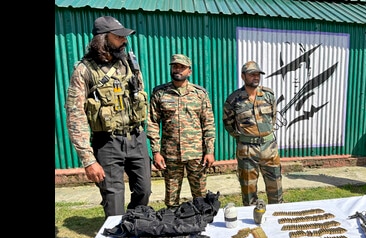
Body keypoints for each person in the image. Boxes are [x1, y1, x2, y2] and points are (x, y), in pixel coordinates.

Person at [64, 16, 151, 218]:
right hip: (107, 143)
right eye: (119, 36)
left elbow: (139, 93)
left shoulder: (129, 62)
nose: (124, 40)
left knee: (144, 191)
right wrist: (88, 160)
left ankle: (133, 227)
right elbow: (75, 116)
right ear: (103, 39)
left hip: (136, 138)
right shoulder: (84, 70)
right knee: (113, 201)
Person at [147, 54, 216, 208]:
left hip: (196, 154)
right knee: (172, 199)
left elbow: (208, 124)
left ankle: (202, 222)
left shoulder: (199, 94)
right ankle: (173, 227)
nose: (178, 69)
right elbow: (152, 123)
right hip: (170, 155)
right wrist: (156, 152)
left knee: (200, 197)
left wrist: (209, 151)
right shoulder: (160, 94)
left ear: (189, 71)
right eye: (175, 66)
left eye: (182, 67)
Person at [222, 61, 284, 206]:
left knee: (276, 187)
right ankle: (252, 222)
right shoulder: (233, 100)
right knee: (249, 192)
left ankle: (276, 220)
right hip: (247, 150)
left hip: (270, 148)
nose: (256, 77)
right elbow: (228, 124)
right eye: (252, 74)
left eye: (258, 74)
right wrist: (243, 138)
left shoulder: (268, 95)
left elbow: (273, 118)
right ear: (243, 76)